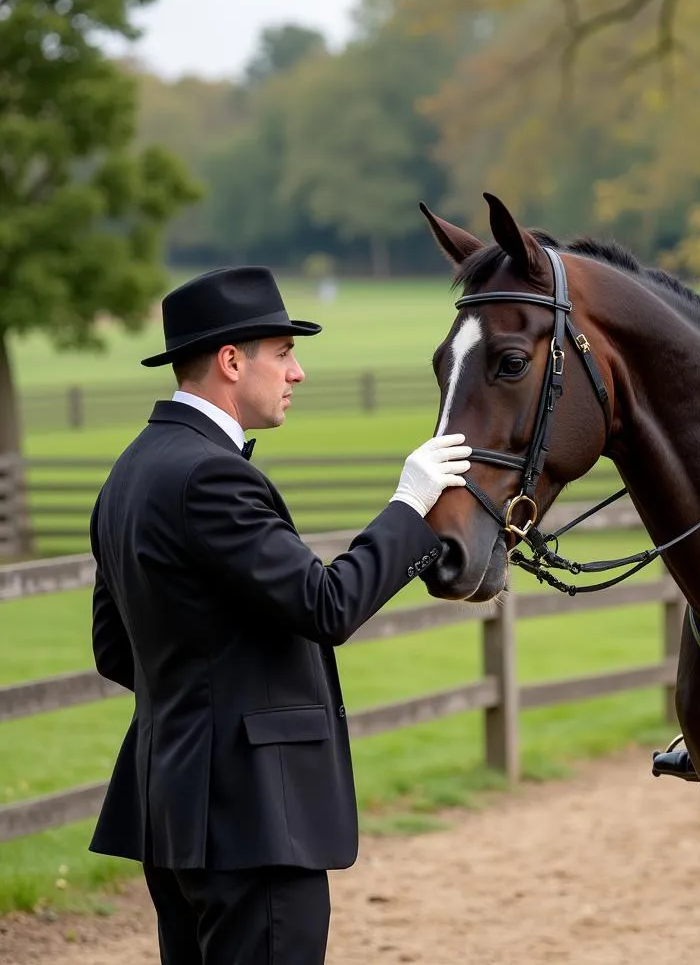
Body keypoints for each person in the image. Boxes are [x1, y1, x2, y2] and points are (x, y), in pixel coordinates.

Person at [88, 265, 471, 963]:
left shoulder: (129, 471)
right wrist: (408, 506)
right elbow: (328, 606)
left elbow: (116, 650)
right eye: (284, 352)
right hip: (254, 819)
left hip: (176, 815)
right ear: (232, 362)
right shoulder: (211, 475)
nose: (297, 372)